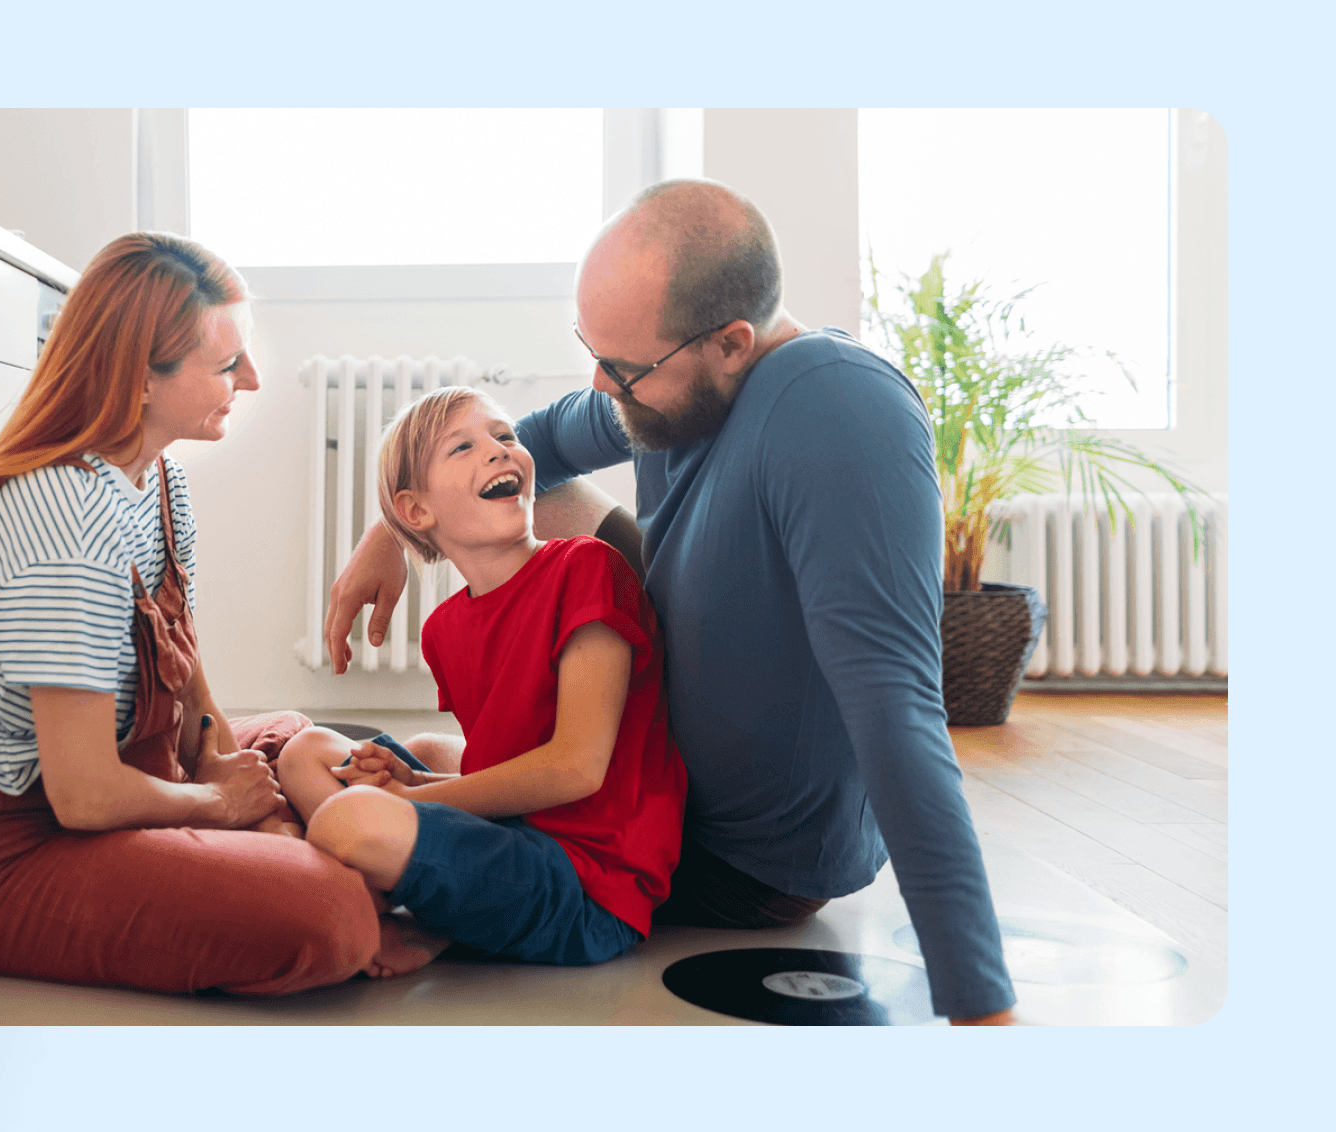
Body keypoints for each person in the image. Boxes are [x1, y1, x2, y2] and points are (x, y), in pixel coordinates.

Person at [323, 179, 1018, 1024]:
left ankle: (441, 898)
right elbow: (533, 444)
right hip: (654, 765)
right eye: (593, 350)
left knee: (380, 799)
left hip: (730, 858)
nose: (600, 381)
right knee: (406, 726)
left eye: (622, 368)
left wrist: (980, 1004)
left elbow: (897, 709)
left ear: (731, 342)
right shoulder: (674, 390)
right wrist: (392, 532)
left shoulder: (840, 411)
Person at [0, 232, 378, 995]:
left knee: (299, 740)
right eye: (227, 365)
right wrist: (220, 806)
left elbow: (183, 662)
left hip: (128, 779)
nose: (250, 379)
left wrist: (236, 783)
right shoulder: (62, 518)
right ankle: (356, 895)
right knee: (329, 910)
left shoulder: (160, 481)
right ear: (141, 378)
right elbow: (83, 795)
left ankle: (321, 863)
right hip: (14, 854)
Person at [272, 386, 686, 978]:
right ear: (416, 511)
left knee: (349, 818)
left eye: (505, 436)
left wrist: (410, 799)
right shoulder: (444, 630)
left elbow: (576, 770)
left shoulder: (588, 567)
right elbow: (504, 773)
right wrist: (417, 780)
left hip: (591, 884)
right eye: (462, 447)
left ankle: (409, 911)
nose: (498, 450)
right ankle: (422, 912)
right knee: (304, 751)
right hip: (519, 835)